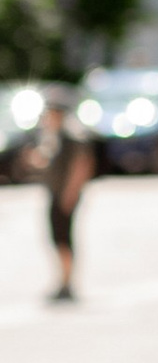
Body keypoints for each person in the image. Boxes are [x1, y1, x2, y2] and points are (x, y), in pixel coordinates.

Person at [37, 91, 95, 303]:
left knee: (63, 238)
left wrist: (70, 193)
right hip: (57, 193)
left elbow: (82, 164)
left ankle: (67, 281)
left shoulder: (71, 134)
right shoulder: (56, 134)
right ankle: (63, 279)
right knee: (57, 238)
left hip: (64, 195)